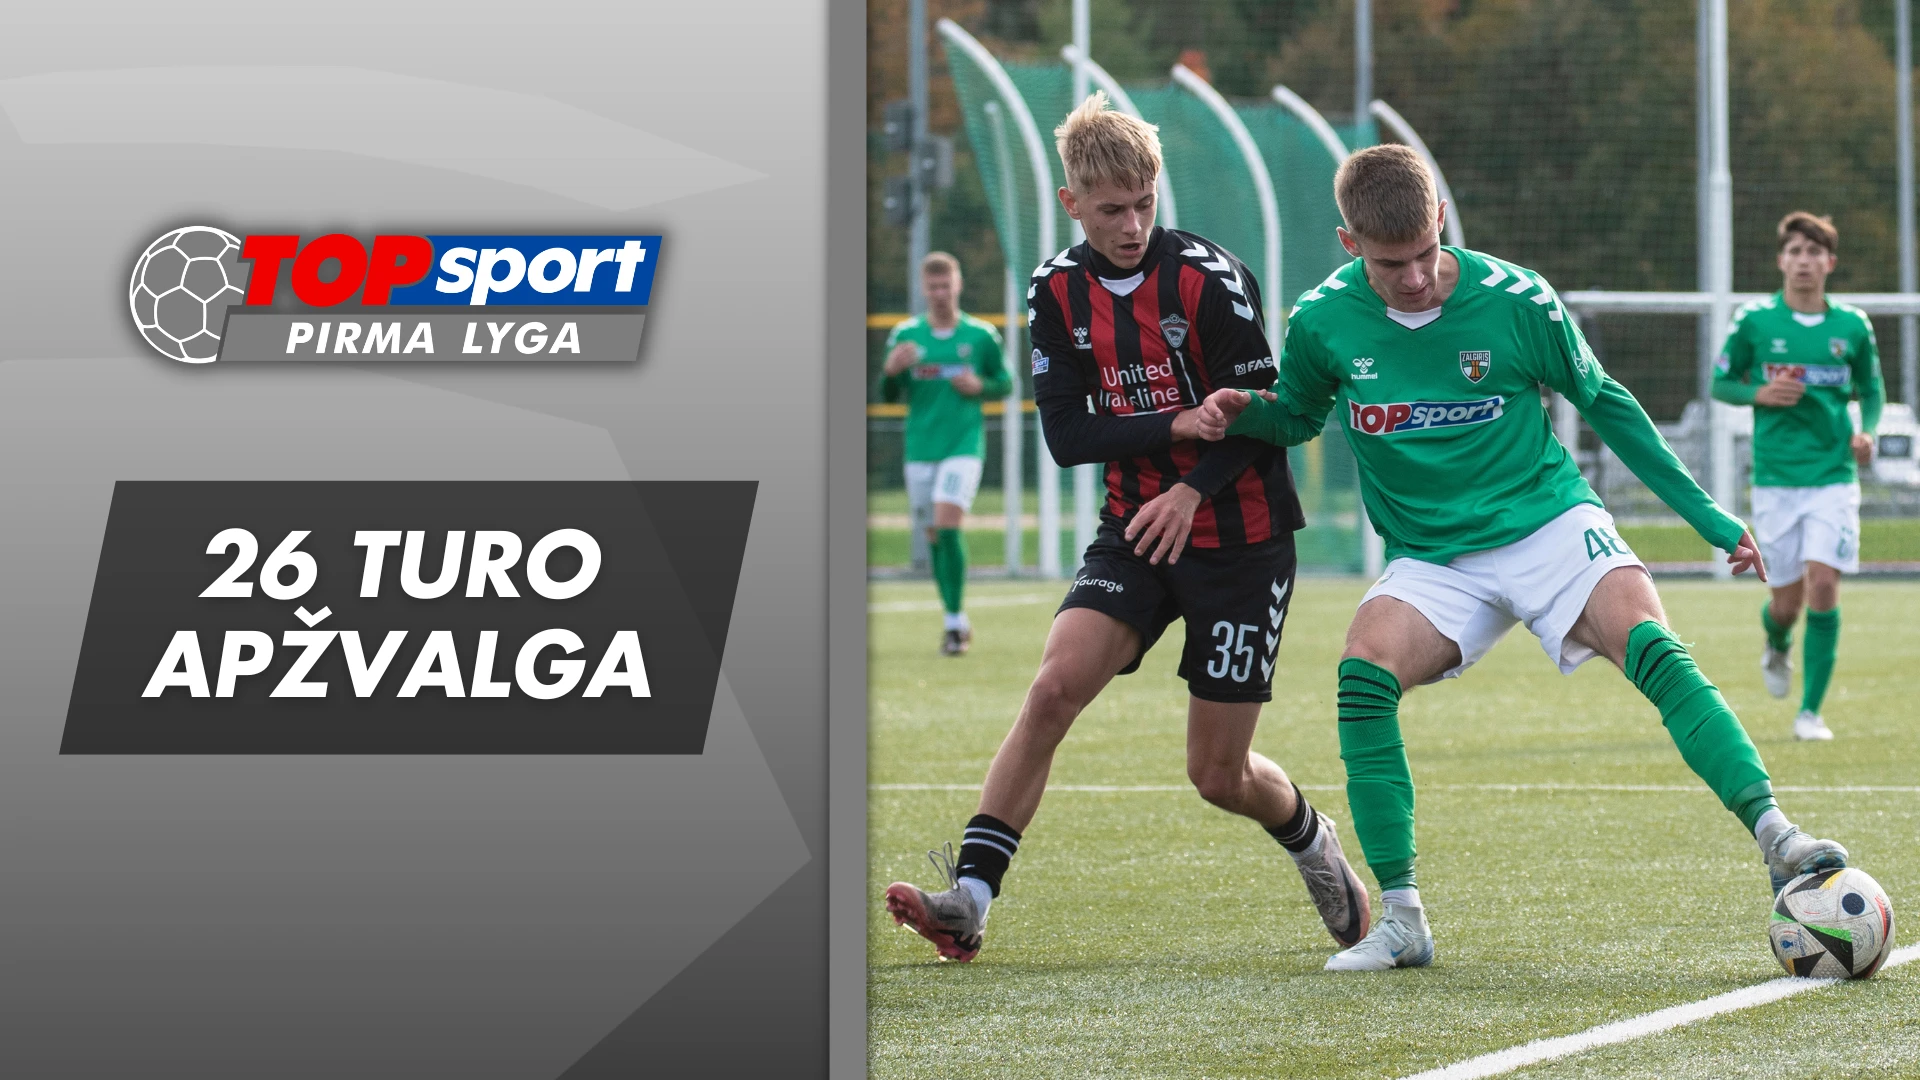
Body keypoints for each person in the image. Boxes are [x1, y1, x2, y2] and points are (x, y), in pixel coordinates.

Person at [1194, 145, 1850, 972]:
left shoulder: (1517, 298)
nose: (1415, 278)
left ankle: (1778, 839)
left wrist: (1708, 517)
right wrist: (1246, 412)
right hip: (1434, 556)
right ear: (1349, 243)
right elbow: (1297, 413)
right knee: (1363, 674)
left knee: (1650, 644)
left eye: (1426, 253)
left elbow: (1605, 402)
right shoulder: (1322, 319)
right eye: (1390, 264)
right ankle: (1402, 919)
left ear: (1441, 219)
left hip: (1547, 521)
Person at [882, 92, 1370, 962]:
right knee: (1051, 691)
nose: (1133, 224)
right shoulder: (1055, 291)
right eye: (1111, 210)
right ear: (1071, 203)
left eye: (1144, 203)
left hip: (1242, 539)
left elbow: (1267, 415)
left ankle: (1308, 836)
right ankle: (970, 899)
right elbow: (1068, 435)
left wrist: (1193, 490)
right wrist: (1173, 429)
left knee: (1216, 775)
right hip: (1137, 530)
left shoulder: (1209, 279)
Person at [1710, 212, 1884, 741]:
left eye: (1814, 253)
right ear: (1780, 261)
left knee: (1824, 584)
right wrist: (1758, 393)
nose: (1803, 261)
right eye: (1795, 252)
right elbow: (1721, 383)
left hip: (1833, 476)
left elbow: (1872, 390)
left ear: (1830, 263)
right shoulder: (1755, 321)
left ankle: (1810, 713)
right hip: (1776, 479)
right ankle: (1777, 641)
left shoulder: (1852, 326)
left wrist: (1867, 431)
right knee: (1786, 605)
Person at [881, 253, 1011, 655]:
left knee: (947, 522)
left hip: (963, 446)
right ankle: (955, 618)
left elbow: (1005, 382)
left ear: (958, 285)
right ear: (924, 289)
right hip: (921, 448)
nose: (940, 293)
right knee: (935, 535)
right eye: (933, 287)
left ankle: (954, 626)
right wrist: (890, 372)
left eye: (946, 285)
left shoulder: (980, 335)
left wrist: (982, 386)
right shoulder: (906, 336)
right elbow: (889, 396)